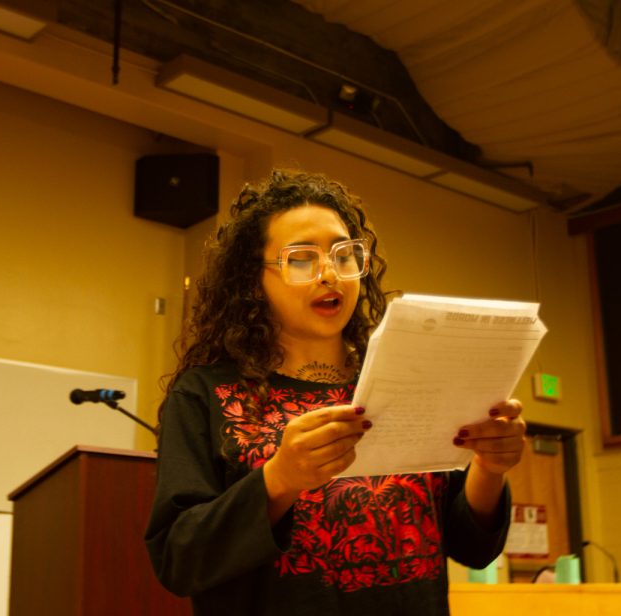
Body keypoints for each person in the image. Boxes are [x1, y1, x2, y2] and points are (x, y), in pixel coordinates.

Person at [144, 169, 526, 615]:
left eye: (344, 255)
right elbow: (178, 557)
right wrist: (279, 479)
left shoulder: (404, 378)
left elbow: (471, 546)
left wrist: (490, 466)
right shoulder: (206, 392)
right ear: (253, 280)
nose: (330, 273)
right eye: (302, 258)